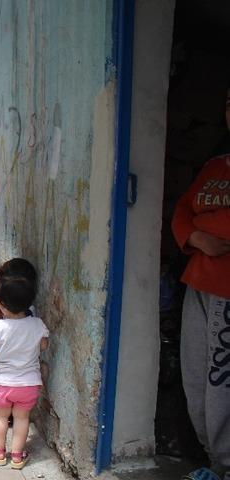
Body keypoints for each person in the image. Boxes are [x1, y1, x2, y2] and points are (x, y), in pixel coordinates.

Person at [171, 92, 230, 480]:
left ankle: (224, 464)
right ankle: (212, 456)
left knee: (219, 379)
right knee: (196, 374)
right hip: (199, 282)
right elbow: (182, 211)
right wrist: (195, 237)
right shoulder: (215, 166)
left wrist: (207, 230)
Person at [0, 264, 49, 470]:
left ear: (0, 304)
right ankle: (18, 456)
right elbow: (44, 346)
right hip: (28, 384)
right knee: (22, 418)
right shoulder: (37, 324)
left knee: (1, 417)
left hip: (2, 383)